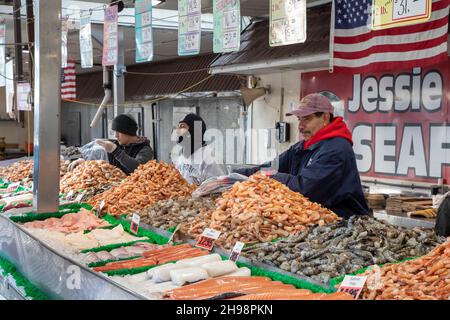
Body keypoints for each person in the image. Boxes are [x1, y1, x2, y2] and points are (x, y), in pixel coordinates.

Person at [235, 93, 369, 218]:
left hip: (345, 223)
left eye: (307, 119)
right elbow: (272, 167)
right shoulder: (302, 147)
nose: (300, 126)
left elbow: (305, 189)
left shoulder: (336, 149)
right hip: (316, 220)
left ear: (325, 117)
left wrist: (268, 176)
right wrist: (235, 175)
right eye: (299, 119)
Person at [69, 114, 154, 175]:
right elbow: (100, 156)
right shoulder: (119, 144)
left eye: (118, 132)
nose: (116, 135)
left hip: (135, 191)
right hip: (115, 188)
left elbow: (138, 168)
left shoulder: (145, 149)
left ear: (128, 131)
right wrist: (84, 160)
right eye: (115, 132)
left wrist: (116, 151)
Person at [172, 113, 225, 184]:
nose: (177, 131)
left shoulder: (210, 157)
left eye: (182, 127)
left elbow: (220, 187)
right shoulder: (182, 156)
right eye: (178, 127)